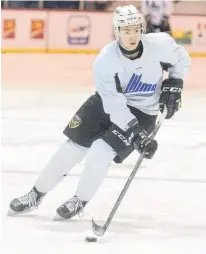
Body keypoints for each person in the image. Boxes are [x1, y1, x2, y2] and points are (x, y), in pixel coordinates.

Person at [8, 5, 191, 220]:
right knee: (70, 149)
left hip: (144, 111)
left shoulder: (160, 45)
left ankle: (80, 200)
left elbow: (182, 59)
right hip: (107, 103)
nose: (131, 35)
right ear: (116, 32)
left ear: (142, 28)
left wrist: (176, 82)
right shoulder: (105, 60)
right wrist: (135, 133)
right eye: (125, 30)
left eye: (135, 29)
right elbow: (114, 104)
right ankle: (35, 194)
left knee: (100, 153)